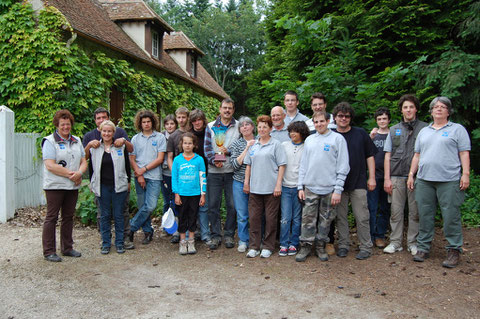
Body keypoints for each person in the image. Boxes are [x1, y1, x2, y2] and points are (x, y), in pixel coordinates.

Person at [407, 97, 470, 268]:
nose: (439, 109)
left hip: (449, 180)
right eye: (436, 107)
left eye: (443, 107)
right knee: (425, 214)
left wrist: (465, 174)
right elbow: (417, 155)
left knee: (451, 216)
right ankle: (423, 247)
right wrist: (412, 174)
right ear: (431, 111)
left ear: (448, 111)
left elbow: (464, 153)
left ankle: (453, 250)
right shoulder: (424, 131)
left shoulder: (457, 130)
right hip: (425, 179)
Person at [295, 111, 349, 262]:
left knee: (325, 220)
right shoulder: (310, 140)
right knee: (308, 219)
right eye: (316, 122)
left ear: (328, 121)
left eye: (321, 121)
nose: (319, 124)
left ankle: (320, 246)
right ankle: (305, 246)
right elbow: (303, 165)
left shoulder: (337, 139)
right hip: (310, 187)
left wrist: (338, 189)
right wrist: (300, 186)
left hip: (329, 188)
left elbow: (343, 166)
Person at [83, 107, 134, 249]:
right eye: (104, 131)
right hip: (102, 185)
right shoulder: (95, 146)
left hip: (119, 185)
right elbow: (84, 159)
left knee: (119, 215)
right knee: (104, 215)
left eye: (109, 131)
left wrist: (128, 181)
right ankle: (105, 243)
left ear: (113, 132)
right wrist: (88, 146)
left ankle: (119, 243)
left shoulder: (119, 146)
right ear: (100, 130)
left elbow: (128, 158)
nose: (106, 133)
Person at [383, 95, 428, 255]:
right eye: (405, 107)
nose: (408, 110)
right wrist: (387, 179)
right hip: (396, 176)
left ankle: (412, 243)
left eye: (411, 107)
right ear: (401, 110)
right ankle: (395, 242)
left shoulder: (425, 128)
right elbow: (387, 155)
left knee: (415, 212)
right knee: (396, 211)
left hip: (417, 178)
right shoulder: (394, 129)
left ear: (416, 109)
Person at [41, 109, 87, 262]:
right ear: (57, 125)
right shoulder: (49, 141)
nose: (66, 127)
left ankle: (67, 248)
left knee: (68, 217)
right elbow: (50, 165)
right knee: (51, 217)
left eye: (68, 124)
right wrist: (71, 174)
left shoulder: (77, 140)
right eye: (62, 124)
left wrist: (79, 174)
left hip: (72, 186)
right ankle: (49, 251)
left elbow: (83, 161)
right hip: (55, 185)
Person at [333, 102, 376, 260]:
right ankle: (343, 244)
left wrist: (371, 177)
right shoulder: (331, 135)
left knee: (362, 216)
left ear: (351, 118)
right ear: (335, 118)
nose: (343, 119)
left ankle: (366, 246)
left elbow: (370, 156)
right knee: (340, 216)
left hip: (358, 181)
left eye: (347, 116)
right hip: (338, 184)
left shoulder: (360, 133)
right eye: (340, 116)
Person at [243, 115, 287, 258]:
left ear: (270, 128)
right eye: (260, 127)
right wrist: (246, 183)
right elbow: (248, 165)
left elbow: (281, 165)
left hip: (271, 189)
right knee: (254, 218)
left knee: (270, 218)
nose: (262, 129)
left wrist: (278, 184)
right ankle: (254, 246)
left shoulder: (276, 145)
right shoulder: (253, 145)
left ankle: (268, 246)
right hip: (255, 189)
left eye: (265, 127)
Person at [204, 98, 240, 250]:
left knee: (232, 205)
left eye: (230, 108)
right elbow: (206, 148)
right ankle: (215, 236)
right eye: (224, 108)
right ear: (220, 109)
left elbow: (242, 147)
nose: (227, 110)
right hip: (214, 172)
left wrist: (229, 152)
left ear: (233, 110)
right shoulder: (211, 126)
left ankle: (229, 235)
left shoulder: (239, 126)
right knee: (213, 205)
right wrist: (214, 161)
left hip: (232, 172)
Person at [128, 110, 166, 245]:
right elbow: (132, 159)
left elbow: (160, 158)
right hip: (139, 176)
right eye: (143, 122)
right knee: (142, 205)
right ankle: (147, 232)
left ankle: (131, 227)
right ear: (140, 123)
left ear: (153, 122)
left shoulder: (160, 137)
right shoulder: (135, 139)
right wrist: (139, 174)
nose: (146, 124)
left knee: (150, 206)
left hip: (154, 176)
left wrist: (143, 170)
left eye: (148, 121)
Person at [172, 132, 207, 255]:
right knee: (182, 217)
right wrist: (176, 194)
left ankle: (191, 241)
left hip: (195, 194)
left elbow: (203, 177)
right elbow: (174, 178)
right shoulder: (177, 160)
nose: (187, 146)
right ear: (181, 144)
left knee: (192, 217)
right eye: (185, 143)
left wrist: (203, 194)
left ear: (194, 145)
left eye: (190, 143)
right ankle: (183, 241)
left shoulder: (199, 159)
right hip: (181, 194)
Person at [278, 121, 310, 257]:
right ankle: (283, 243)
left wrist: (302, 186)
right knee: (285, 217)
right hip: (285, 187)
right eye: (290, 131)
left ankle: (294, 243)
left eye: (295, 131)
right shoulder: (284, 145)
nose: (292, 134)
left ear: (302, 133)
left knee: (297, 218)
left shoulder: (307, 147)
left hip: (299, 188)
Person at [229, 116, 256, 252]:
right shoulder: (236, 144)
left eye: (248, 124)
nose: (245, 127)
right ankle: (243, 240)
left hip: (257, 183)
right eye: (242, 125)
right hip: (239, 183)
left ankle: (257, 239)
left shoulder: (260, 141)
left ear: (252, 127)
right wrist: (246, 148)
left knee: (257, 214)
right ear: (239, 129)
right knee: (242, 214)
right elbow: (234, 165)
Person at [367, 107, 391, 249]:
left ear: (389, 120)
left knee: (385, 208)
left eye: (384, 118)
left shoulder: (392, 134)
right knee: (371, 207)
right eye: (379, 119)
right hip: (374, 177)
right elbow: (366, 152)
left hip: (388, 177)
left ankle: (380, 235)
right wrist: (370, 137)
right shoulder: (373, 135)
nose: (382, 121)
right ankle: (369, 236)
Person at [166, 107, 190, 244]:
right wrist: (174, 171)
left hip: (191, 175)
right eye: (178, 117)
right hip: (177, 175)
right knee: (178, 204)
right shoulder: (173, 136)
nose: (181, 120)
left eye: (183, 117)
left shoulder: (191, 133)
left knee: (191, 204)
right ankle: (178, 231)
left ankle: (191, 231)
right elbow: (169, 157)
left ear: (187, 117)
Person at [189, 109, 210, 242]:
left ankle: (205, 234)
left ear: (203, 120)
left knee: (204, 205)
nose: (197, 123)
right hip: (191, 176)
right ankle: (193, 230)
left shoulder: (210, 133)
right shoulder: (188, 136)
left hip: (207, 174)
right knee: (191, 205)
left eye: (199, 120)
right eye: (194, 120)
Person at [160, 115, 177, 215]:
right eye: (167, 124)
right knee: (167, 199)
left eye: (172, 124)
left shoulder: (180, 135)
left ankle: (176, 220)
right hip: (165, 171)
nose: (169, 126)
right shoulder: (160, 136)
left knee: (176, 198)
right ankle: (166, 222)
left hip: (177, 171)